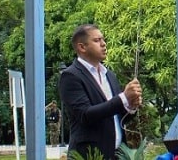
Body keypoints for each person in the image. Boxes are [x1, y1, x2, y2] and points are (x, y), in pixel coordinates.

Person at [59, 24, 142, 160]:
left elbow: (117, 117)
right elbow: (85, 115)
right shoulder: (70, 76)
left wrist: (130, 106)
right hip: (88, 155)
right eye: (97, 40)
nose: (103, 44)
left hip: (116, 155)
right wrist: (123, 98)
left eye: (103, 40)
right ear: (82, 47)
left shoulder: (109, 75)